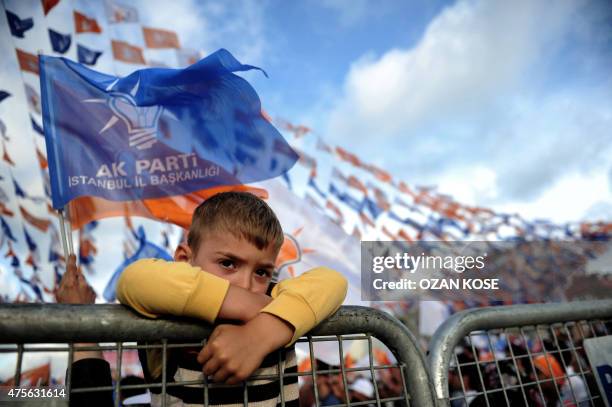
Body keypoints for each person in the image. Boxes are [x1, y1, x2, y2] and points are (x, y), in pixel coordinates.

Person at [117, 191, 348, 406]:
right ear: (184, 259)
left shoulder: (278, 305)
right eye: (227, 263)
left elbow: (333, 281)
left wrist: (259, 335)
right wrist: (246, 303)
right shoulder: (168, 318)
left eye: (261, 272)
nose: (245, 285)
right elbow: (132, 279)